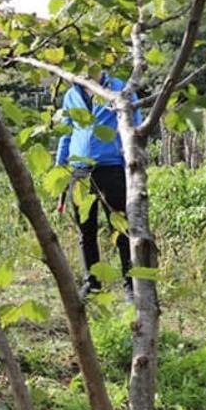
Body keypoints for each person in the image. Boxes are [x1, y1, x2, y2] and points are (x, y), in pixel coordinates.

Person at [55, 73, 139, 301]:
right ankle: (92, 283)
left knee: (120, 228)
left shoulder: (119, 89)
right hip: (80, 170)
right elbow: (66, 132)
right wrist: (59, 168)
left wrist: (132, 162)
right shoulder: (72, 94)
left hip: (111, 167)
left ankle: (131, 285)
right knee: (85, 230)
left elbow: (134, 124)